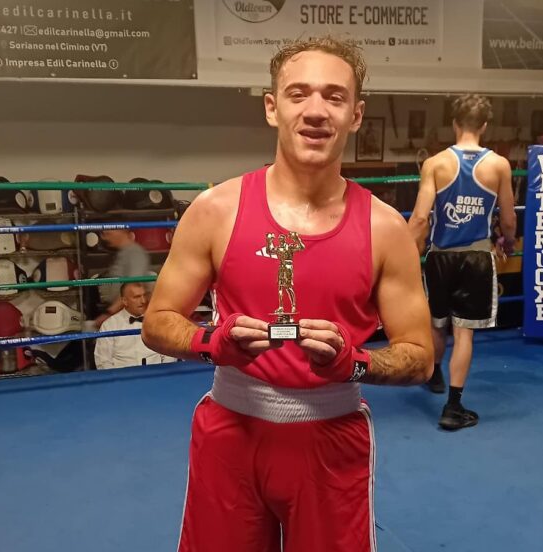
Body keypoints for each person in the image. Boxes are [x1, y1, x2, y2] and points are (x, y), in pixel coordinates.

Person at [142, 36, 434, 552]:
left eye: (334, 97)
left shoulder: (385, 228)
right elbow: (157, 321)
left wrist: (355, 363)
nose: (316, 110)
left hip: (331, 442)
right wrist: (212, 342)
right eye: (299, 94)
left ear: (356, 115)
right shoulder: (216, 210)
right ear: (272, 108)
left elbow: (419, 356)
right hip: (230, 433)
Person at [408, 94, 516, 430]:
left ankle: (434, 374)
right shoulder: (499, 165)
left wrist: (408, 255)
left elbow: (420, 219)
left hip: (440, 257)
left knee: (437, 322)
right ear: (484, 126)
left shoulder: (435, 164)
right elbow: (509, 220)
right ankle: (453, 407)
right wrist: (508, 243)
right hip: (476, 257)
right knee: (464, 333)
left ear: (454, 124)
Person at [95, 282, 173, 369]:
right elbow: (103, 360)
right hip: (122, 375)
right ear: (125, 301)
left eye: (144, 295)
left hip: (156, 372)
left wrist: (163, 372)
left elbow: (169, 353)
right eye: (137, 297)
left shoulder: (158, 321)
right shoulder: (109, 325)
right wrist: (118, 377)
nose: (143, 301)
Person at [95, 229, 150, 327]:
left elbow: (132, 287)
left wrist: (109, 313)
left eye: (108, 234)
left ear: (121, 231)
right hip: (120, 313)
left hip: (129, 314)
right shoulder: (121, 254)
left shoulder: (134, 252)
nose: (105, 238)